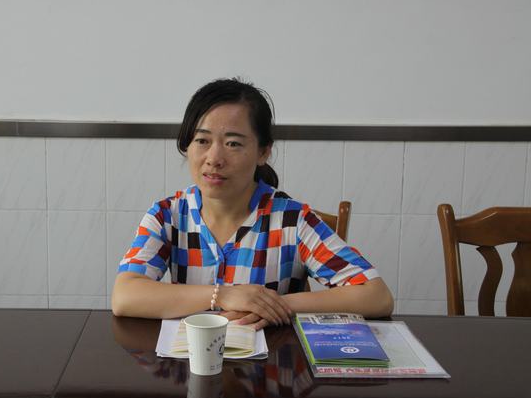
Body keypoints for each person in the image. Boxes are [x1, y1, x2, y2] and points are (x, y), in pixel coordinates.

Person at [112, 78, 393, 329]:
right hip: (190, 363)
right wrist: (223, 295)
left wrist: (270, 305)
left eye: (233, 143)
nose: (214, 158)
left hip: (272, 365)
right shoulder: (167, 215)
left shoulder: (292, 220)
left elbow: (376, 295)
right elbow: (125, 296)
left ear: (263, 152)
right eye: (202, 140)